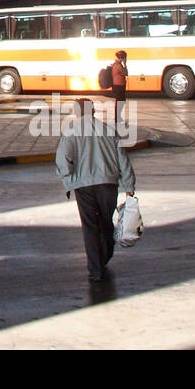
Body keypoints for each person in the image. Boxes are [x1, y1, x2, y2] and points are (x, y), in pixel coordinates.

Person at [55, 98, 136, 282]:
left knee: (90, 226)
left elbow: (63, 159)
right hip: (108, 184)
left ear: (77, 112)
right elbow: (123, 160)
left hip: (83, 186)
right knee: (106, 222)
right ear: (93, 111)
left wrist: (68, 178)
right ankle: (105, 254)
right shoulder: (108, 130)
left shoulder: (70, 132)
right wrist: (129, 186)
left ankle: (95, 269)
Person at [110, 50, 129, 126]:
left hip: (119, 85)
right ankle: (117, 119)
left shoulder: (116, 64)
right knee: (119, 102)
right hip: (119, 85)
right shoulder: (118, 65)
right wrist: (125, 64)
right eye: (125, 58)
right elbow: (126, 73)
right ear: (122, 57)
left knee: (121, 102)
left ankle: (118, 118)